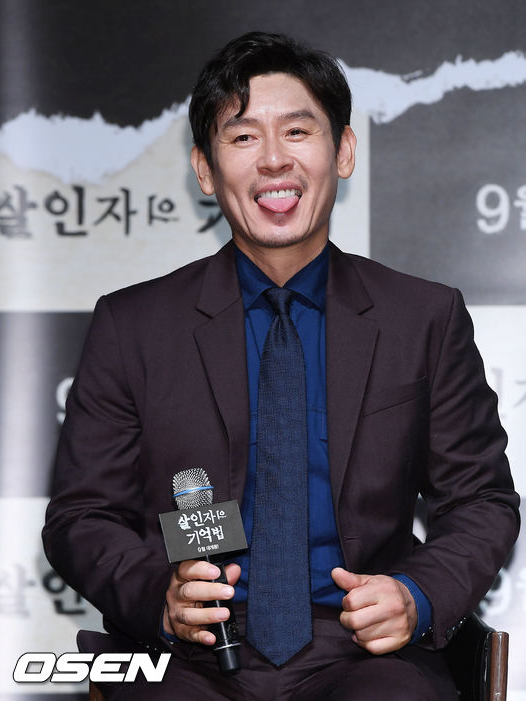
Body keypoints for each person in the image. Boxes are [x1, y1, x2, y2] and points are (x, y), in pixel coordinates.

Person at [43, 32, 520, 700]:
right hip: (189, 654)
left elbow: (482, 500)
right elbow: (82, 514)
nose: (273, 159)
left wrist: (415, 595)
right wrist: (160, 595)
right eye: (242, 137)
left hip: (363, 653)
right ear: (205, 169)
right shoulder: (134, 326)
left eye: (297, 131)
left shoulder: (423, 318)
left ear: (343, 150)